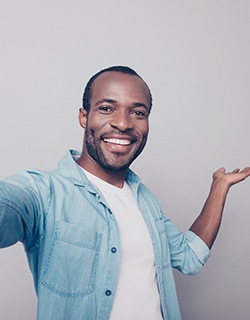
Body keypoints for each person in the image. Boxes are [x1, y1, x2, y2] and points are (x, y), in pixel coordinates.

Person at [0, 66, 249, 320]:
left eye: (138, 112)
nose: (123, 123)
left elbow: (190, 257)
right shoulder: (44, 192)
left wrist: (219, 187)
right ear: (84, 117)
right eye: (107, 108)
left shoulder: (146, 201)